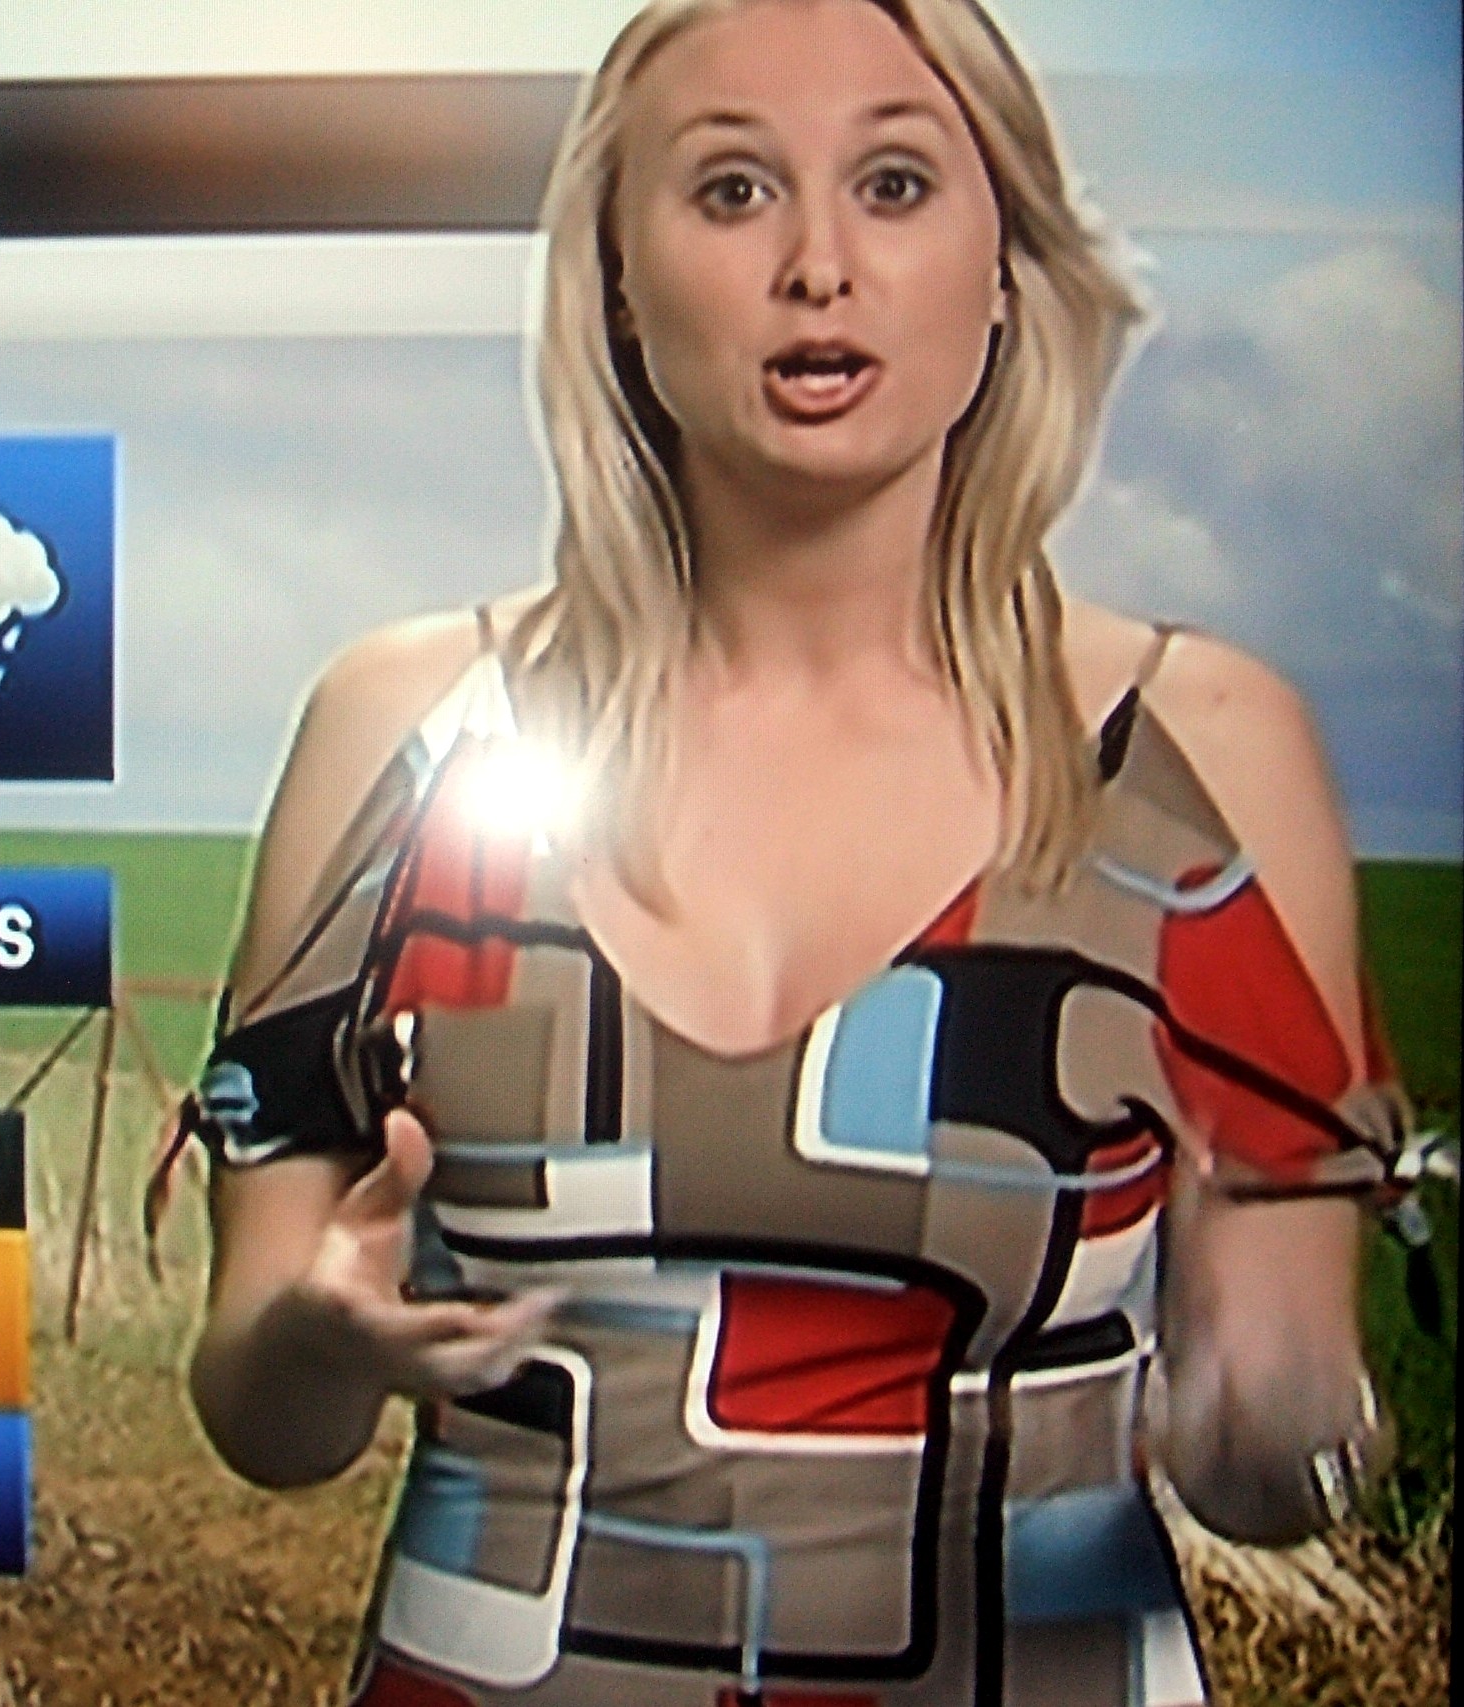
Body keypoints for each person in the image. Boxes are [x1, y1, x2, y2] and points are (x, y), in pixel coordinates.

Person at [171, 2, 1414, 1702]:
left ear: (1005, 266)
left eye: (894, 184)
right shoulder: (404, 739)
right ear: (618, 277)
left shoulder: (1198, 761)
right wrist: (319, 1336)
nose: (819, 266)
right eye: (734, 190)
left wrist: (1279, 1423)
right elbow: (262, 1419)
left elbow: (1278, 1460)